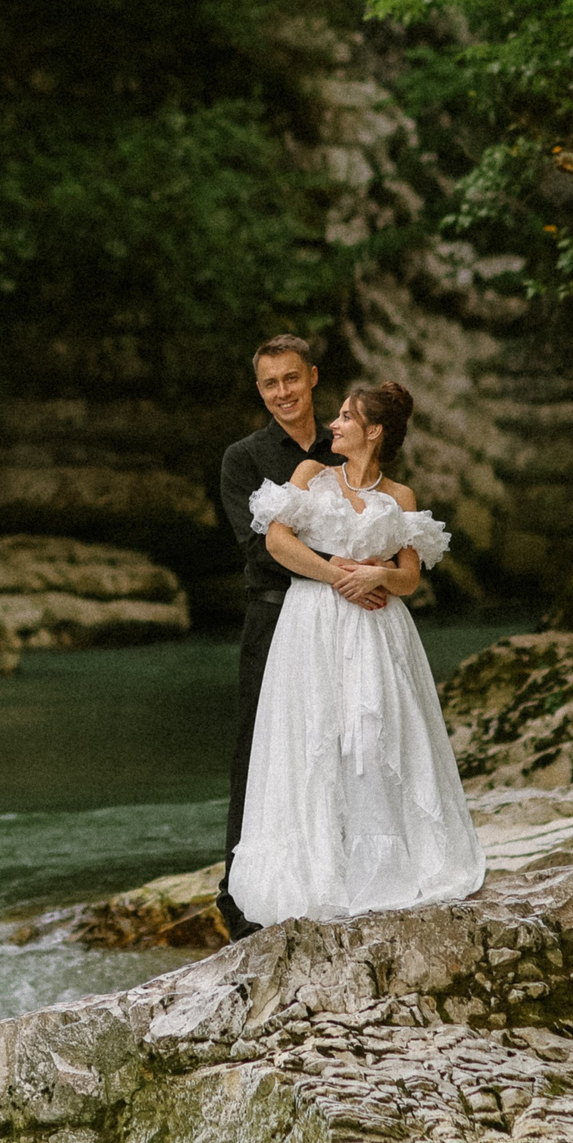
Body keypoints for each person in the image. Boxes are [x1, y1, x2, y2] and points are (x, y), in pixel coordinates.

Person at [223, 380, 485, 926]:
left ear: (375, 432)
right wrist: (338, 576)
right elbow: (276, 542)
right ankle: (320, 870)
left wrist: (378, 573)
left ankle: (384, 870)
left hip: (378, 630)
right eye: (337, 415)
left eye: (346, 417)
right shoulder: (310, 476)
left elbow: (410, 578)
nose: (334, 425)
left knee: (373, 738)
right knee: (317, 736)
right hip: (312, 622)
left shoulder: (402, 496)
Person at [213, 336, 387, 938]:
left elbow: (384, 515)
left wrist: (379, 574)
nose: (282, 393)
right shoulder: (244, 458)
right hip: (274, 615)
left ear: (312, 377)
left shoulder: (347, 437)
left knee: (348, 743)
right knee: (259, 747)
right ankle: (238, 899)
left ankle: (342, 876)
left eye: (291, 379)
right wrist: (347, 575)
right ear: (259, 390)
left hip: (352, 624)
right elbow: (258, 550)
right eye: (269, 384)